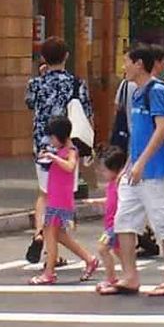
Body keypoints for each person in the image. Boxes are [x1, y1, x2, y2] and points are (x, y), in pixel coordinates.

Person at [102, 45, 164, 298]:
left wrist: (141, 162)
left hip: (155, 172)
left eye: (126, 61)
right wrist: (129, 162)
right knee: (124, 222)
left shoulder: (157, 91)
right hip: (134, 170)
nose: (123, 66)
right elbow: (135, 132)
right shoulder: (136, 93)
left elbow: (162, 129)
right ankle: (130, 276)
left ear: (139, 64)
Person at [24, 36, 92, 240]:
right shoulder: (76, 83)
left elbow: (29, 104)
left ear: (44, 57)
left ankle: (39, 233)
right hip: (68, 143)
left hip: (42, 143)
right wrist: (90, 144)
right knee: (62, 194)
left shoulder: (35, 83)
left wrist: (41, 76)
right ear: (67, 56)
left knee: (44, 192)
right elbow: (87, 112)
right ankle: (55, 241)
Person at [28, 115, 99, 286]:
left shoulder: (71, 150)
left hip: (61, 200)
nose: (51, 141)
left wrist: (54, 158)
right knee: (58, 235)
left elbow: (70, 166)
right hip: (55, 197)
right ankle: (89, 259)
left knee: (50, 234)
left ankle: (49, 273)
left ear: (61, 135)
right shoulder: (58, 150)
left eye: (53, 137)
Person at [96, 146, 127, 291]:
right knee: (119, 251)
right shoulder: (111, 184)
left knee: (102, 249)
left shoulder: (119, 183)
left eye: (104, 170)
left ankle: (111, 278)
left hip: (114, 226)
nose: (101, 173)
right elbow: (111, 200)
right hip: (111, 224)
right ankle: (129, 274)